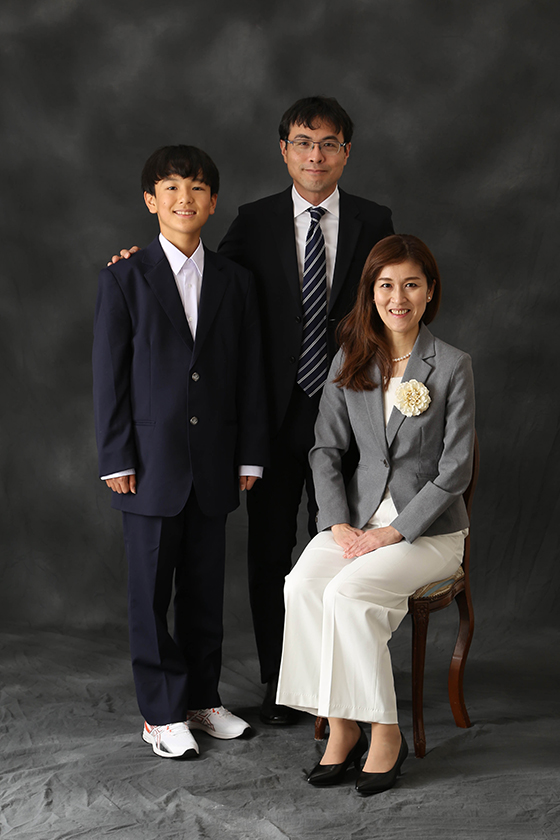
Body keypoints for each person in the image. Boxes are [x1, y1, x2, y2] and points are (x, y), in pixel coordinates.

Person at [108, 97, 394, 724]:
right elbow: (201, 282)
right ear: (284, 150)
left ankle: (340, 687)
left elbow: (395, 297)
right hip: (273, 414)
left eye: (328, 144)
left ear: (346, 152)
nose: (315, 156)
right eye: (303, 143)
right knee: (270, 555)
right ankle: (282, 682)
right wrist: (137, 264)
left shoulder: (375, 220)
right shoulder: (254, 220)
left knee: (343, 550)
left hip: (347, 413)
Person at [276, 234, 475, 794]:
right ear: (371, 292)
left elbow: (456, 469)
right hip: (358, 520)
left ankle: (385, 734)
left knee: (348, 592)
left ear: (430, 291)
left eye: (411, 285)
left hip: (428, 532)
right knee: (302, 584)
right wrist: (336, 521)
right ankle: (341, 726)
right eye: (386, 285)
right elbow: (325, 449)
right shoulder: (351, 358)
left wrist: (394, 531)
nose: (398, 297)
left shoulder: (452, 365)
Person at [93, 145, 268, 759]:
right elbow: (109, 374)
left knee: (203, 589)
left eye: (196, 188)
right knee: (150, 594)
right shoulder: (124, 277)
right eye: (170, 188)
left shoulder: (234, 281)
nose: (184, 199)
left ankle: (201, 699)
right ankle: (160, 713)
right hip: (148, 463)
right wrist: (116, 456)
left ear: (213, 202)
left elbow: (248, 372)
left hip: (215, 461)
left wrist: (249, 454)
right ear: (151, 201)